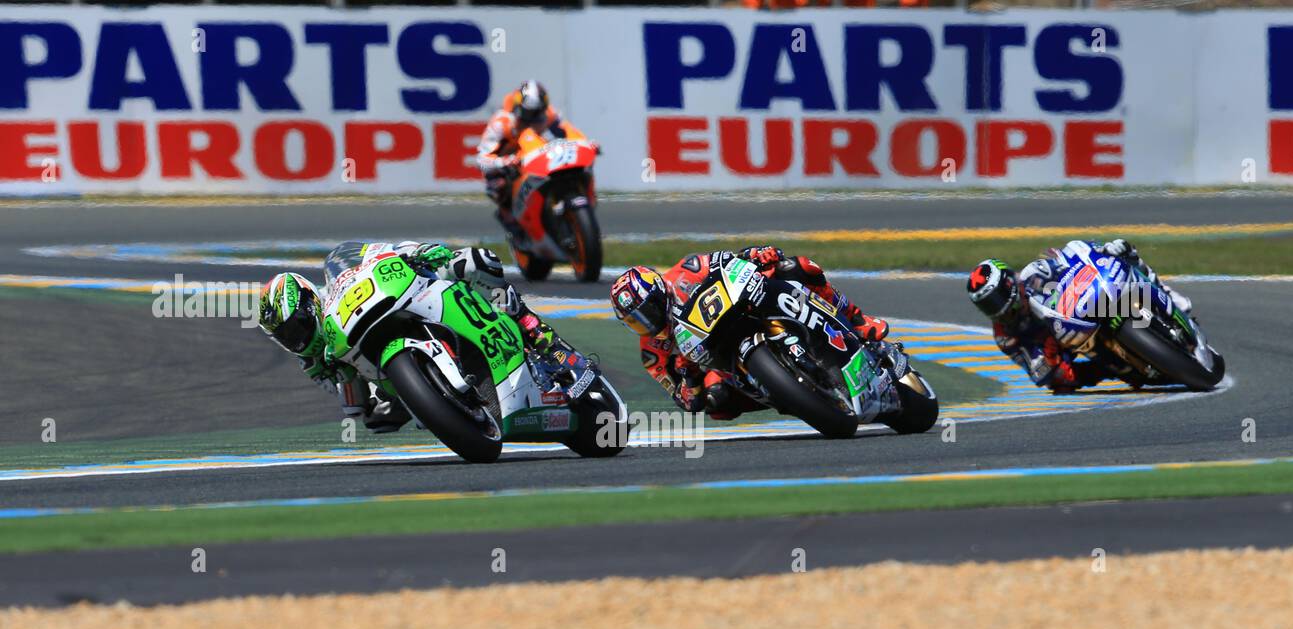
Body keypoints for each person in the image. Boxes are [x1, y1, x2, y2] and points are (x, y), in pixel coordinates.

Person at [258, 241, 570, 432]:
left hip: (401, 294)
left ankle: (531, 327)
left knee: (477, 261)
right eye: (287, 336)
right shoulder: (310, 361)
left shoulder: (337, 279)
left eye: (297, 325)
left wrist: (416, 252)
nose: (297, 338)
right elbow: (352, 405)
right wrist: (347, 383)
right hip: (384, 375)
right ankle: (441, 402)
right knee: (375, 418)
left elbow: (380, 253)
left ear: (310, 300)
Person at [610, 246, 889, 420]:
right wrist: (688, 376)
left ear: (660, 294)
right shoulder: (651, 354)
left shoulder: (687, 270)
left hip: (742, 308)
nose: (647, 324)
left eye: (648, 313)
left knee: (797, 267)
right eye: (636, 322)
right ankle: (790, 396)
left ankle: (856, 318)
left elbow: (729, 260)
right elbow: (687, 401)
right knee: (715, 403)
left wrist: (757, 254)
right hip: (718, 362)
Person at [966, 239, 1194, 392]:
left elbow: (1067, 259)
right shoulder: (1005, 336)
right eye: (986, 305)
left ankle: (1167, 295)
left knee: (1125, 253)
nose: (994, 308)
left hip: (1086, 301)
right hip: (1067, 346)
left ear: (1008, 284)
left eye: (994, 299)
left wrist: (1100, 251)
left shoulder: (1034, 274)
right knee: (1062, 382)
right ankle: (1121, 366)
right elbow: (1037, 371)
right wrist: (1048, 360)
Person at [476, 80, 591, 243]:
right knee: (498, 186)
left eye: (538, 113)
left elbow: (569, 133)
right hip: (510, 166)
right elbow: (481, 159)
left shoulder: (550, 114)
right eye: (528, 113)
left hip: (540, 158)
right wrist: (505, 162)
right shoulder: (501, 123)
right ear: (517, 108)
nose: (533, 119)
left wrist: (585, 143)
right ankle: (510, 221)